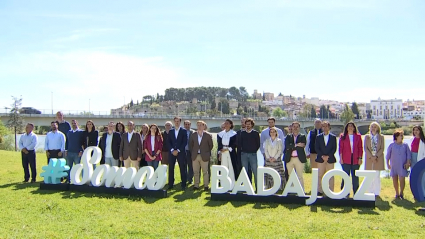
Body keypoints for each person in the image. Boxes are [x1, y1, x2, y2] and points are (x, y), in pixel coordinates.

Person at [339, 122, 363, 196]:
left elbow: (360, 148)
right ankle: (344, 192)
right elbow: (340, 149)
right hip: (346, 159)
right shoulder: (342, 136)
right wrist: (341, 158)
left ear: (354, 128)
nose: (350, 127)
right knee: (346, 175)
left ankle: (356, 193)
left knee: (355, 176)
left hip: (355, 159)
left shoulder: (358, 136)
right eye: (348, 126)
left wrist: (360, 158)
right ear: (346, 128)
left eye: (351, 126)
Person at [387, 130, 411, 199]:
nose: (402, 137)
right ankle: (397, 193)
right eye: (400, 136)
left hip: (402, 165)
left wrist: (408, 163)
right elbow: (388, 156)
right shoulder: (392, 145)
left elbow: (408, 155)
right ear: (396, 137)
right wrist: (388, 164)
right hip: (394, 165)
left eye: (402, 136)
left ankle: (401, 193)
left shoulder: (405, 145)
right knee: (394, 178)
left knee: (402, 179)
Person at [189, 121, 213, 190]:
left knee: (205, 171)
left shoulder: (208, 135)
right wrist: (193, 152)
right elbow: (191, 145)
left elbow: (210, 145)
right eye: (198, 125)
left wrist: (206, 152)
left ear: (204, 126)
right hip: (195, 156)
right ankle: (196, 185)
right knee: (196, 171)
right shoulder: (193, 135)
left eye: (200, 125)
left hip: (204, 155)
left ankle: (206, 185)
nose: (199, 127)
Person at [315, 121, 337, 196]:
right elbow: (317, 148)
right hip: (320, 159)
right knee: (320, 175)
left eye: (326, 126)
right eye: (323, 126)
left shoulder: (333, 137)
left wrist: (328, 156)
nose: (325, 128)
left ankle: (331, 190)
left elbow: (334, 148)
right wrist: (322, 156)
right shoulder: (318, 137)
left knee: (330, 175)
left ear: (329, 127)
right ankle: (319, 190)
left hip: (330, 159)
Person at [284, 122, 307, 189]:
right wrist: (297, 145)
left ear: (299, 128)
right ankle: (291, 190)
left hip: (299, 158)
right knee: (290, 176)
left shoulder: (302, 136)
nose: (295, 128)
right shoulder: (288, 136)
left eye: (297, 127)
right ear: (292, 127)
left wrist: (292, 146)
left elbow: (303, 145)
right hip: (289, 158)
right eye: (294, 126)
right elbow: (287, 146)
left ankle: (301, 190)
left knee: (300, 175)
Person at [364, 122, 385, 196]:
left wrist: (376, 157)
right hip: (369, 159)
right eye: (372, 127)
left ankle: (376, 192)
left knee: (376, 176)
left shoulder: (381, 137)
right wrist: (371, 157)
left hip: (378, 159)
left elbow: (382, 148)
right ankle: (370, 191)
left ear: (378, 128)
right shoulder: (367, 137)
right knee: (369, 175)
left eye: (375, 127)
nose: (373, 128)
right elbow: (365, 148)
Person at [167, 117, 188, 190]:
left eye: (178, 121)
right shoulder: (171, 131)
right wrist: (172, 150)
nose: (177, 122)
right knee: (171, 168)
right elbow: (168, 142)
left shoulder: (184, 131)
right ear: (174, 122)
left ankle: (183, 184)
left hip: (181, 152)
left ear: (180, 122)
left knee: (182, 168)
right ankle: (170, 184)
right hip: (172, 153)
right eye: (175, 121)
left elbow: (185, 142)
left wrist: (178, 150)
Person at [240, 118, 260, 188]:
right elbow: (240, 144)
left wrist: (253, 150)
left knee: (255, 171)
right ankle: (246, 188)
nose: (247, 125)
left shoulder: (256, 133)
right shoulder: (242, 133)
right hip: (244, 155)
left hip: (253, 154)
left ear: (252, 125)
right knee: (245, 171)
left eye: (249, 124)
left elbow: (258, 144)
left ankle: (258, 188)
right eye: (246, 124)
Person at [217, 119, 238, 184]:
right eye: (225, 123)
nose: (225, 125)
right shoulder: (220, 134)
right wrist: (220, 152)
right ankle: (223, 183)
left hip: (230, 152)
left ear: (230, 125)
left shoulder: (234, 134)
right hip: (222, 152)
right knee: (223, 167)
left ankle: (232, 183)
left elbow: (235, 144)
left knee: (231, 167)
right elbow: (219, 144)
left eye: (227, 123)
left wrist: (228, 149)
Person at [184, 120, 195, 185]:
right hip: (182, 151)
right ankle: (184, 179)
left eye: (188, 124)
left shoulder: (193, 132)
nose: (187, 125)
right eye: (186, 124)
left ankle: (190, 179)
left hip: (190, 151)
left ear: (190, 125)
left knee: (190, 166)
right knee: (183, 166)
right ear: (184, 125)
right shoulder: (181, 131)